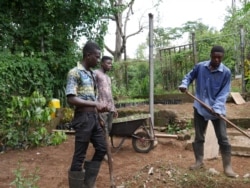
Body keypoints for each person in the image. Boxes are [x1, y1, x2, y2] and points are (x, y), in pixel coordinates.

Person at [178, 45, 238, 178]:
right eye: (214, 57)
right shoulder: (200, 67)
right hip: (200, 108)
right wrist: (184, 84)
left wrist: (216, 108)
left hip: (217, 111)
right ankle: (199, 161)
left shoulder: (226, 72)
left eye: (219, 57)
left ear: (222, 57)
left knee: (223, 138)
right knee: (199, 137)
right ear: (210, 55)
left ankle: (227, 167)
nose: (217, 60)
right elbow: (188, 76)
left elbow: (224, 93)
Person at [66, 41, 109, 188]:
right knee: (80, 155)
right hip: (83, 118)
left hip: (94, 118)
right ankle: (77, 185)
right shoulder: (74, 72)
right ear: (88, 55)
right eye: (97, 57)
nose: (98, 60)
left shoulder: (91, 74)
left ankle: (88, 183)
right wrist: (94, 104)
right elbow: (71, 98)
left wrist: (99, 114)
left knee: (102, 148)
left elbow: (93, 98)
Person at [94, 56, 118, 134]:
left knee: (109, 129)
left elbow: (110, 93)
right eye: (108, 63)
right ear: (102, 63)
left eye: (111, 63)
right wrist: (96, 106)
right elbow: (92, 90)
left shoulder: (108, 78)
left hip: (110, 108)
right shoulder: (96, 73)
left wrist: (114, 108)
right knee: (103, 129)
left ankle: (105, 146)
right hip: (102, 108)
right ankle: (103, 146)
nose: (110, 65)